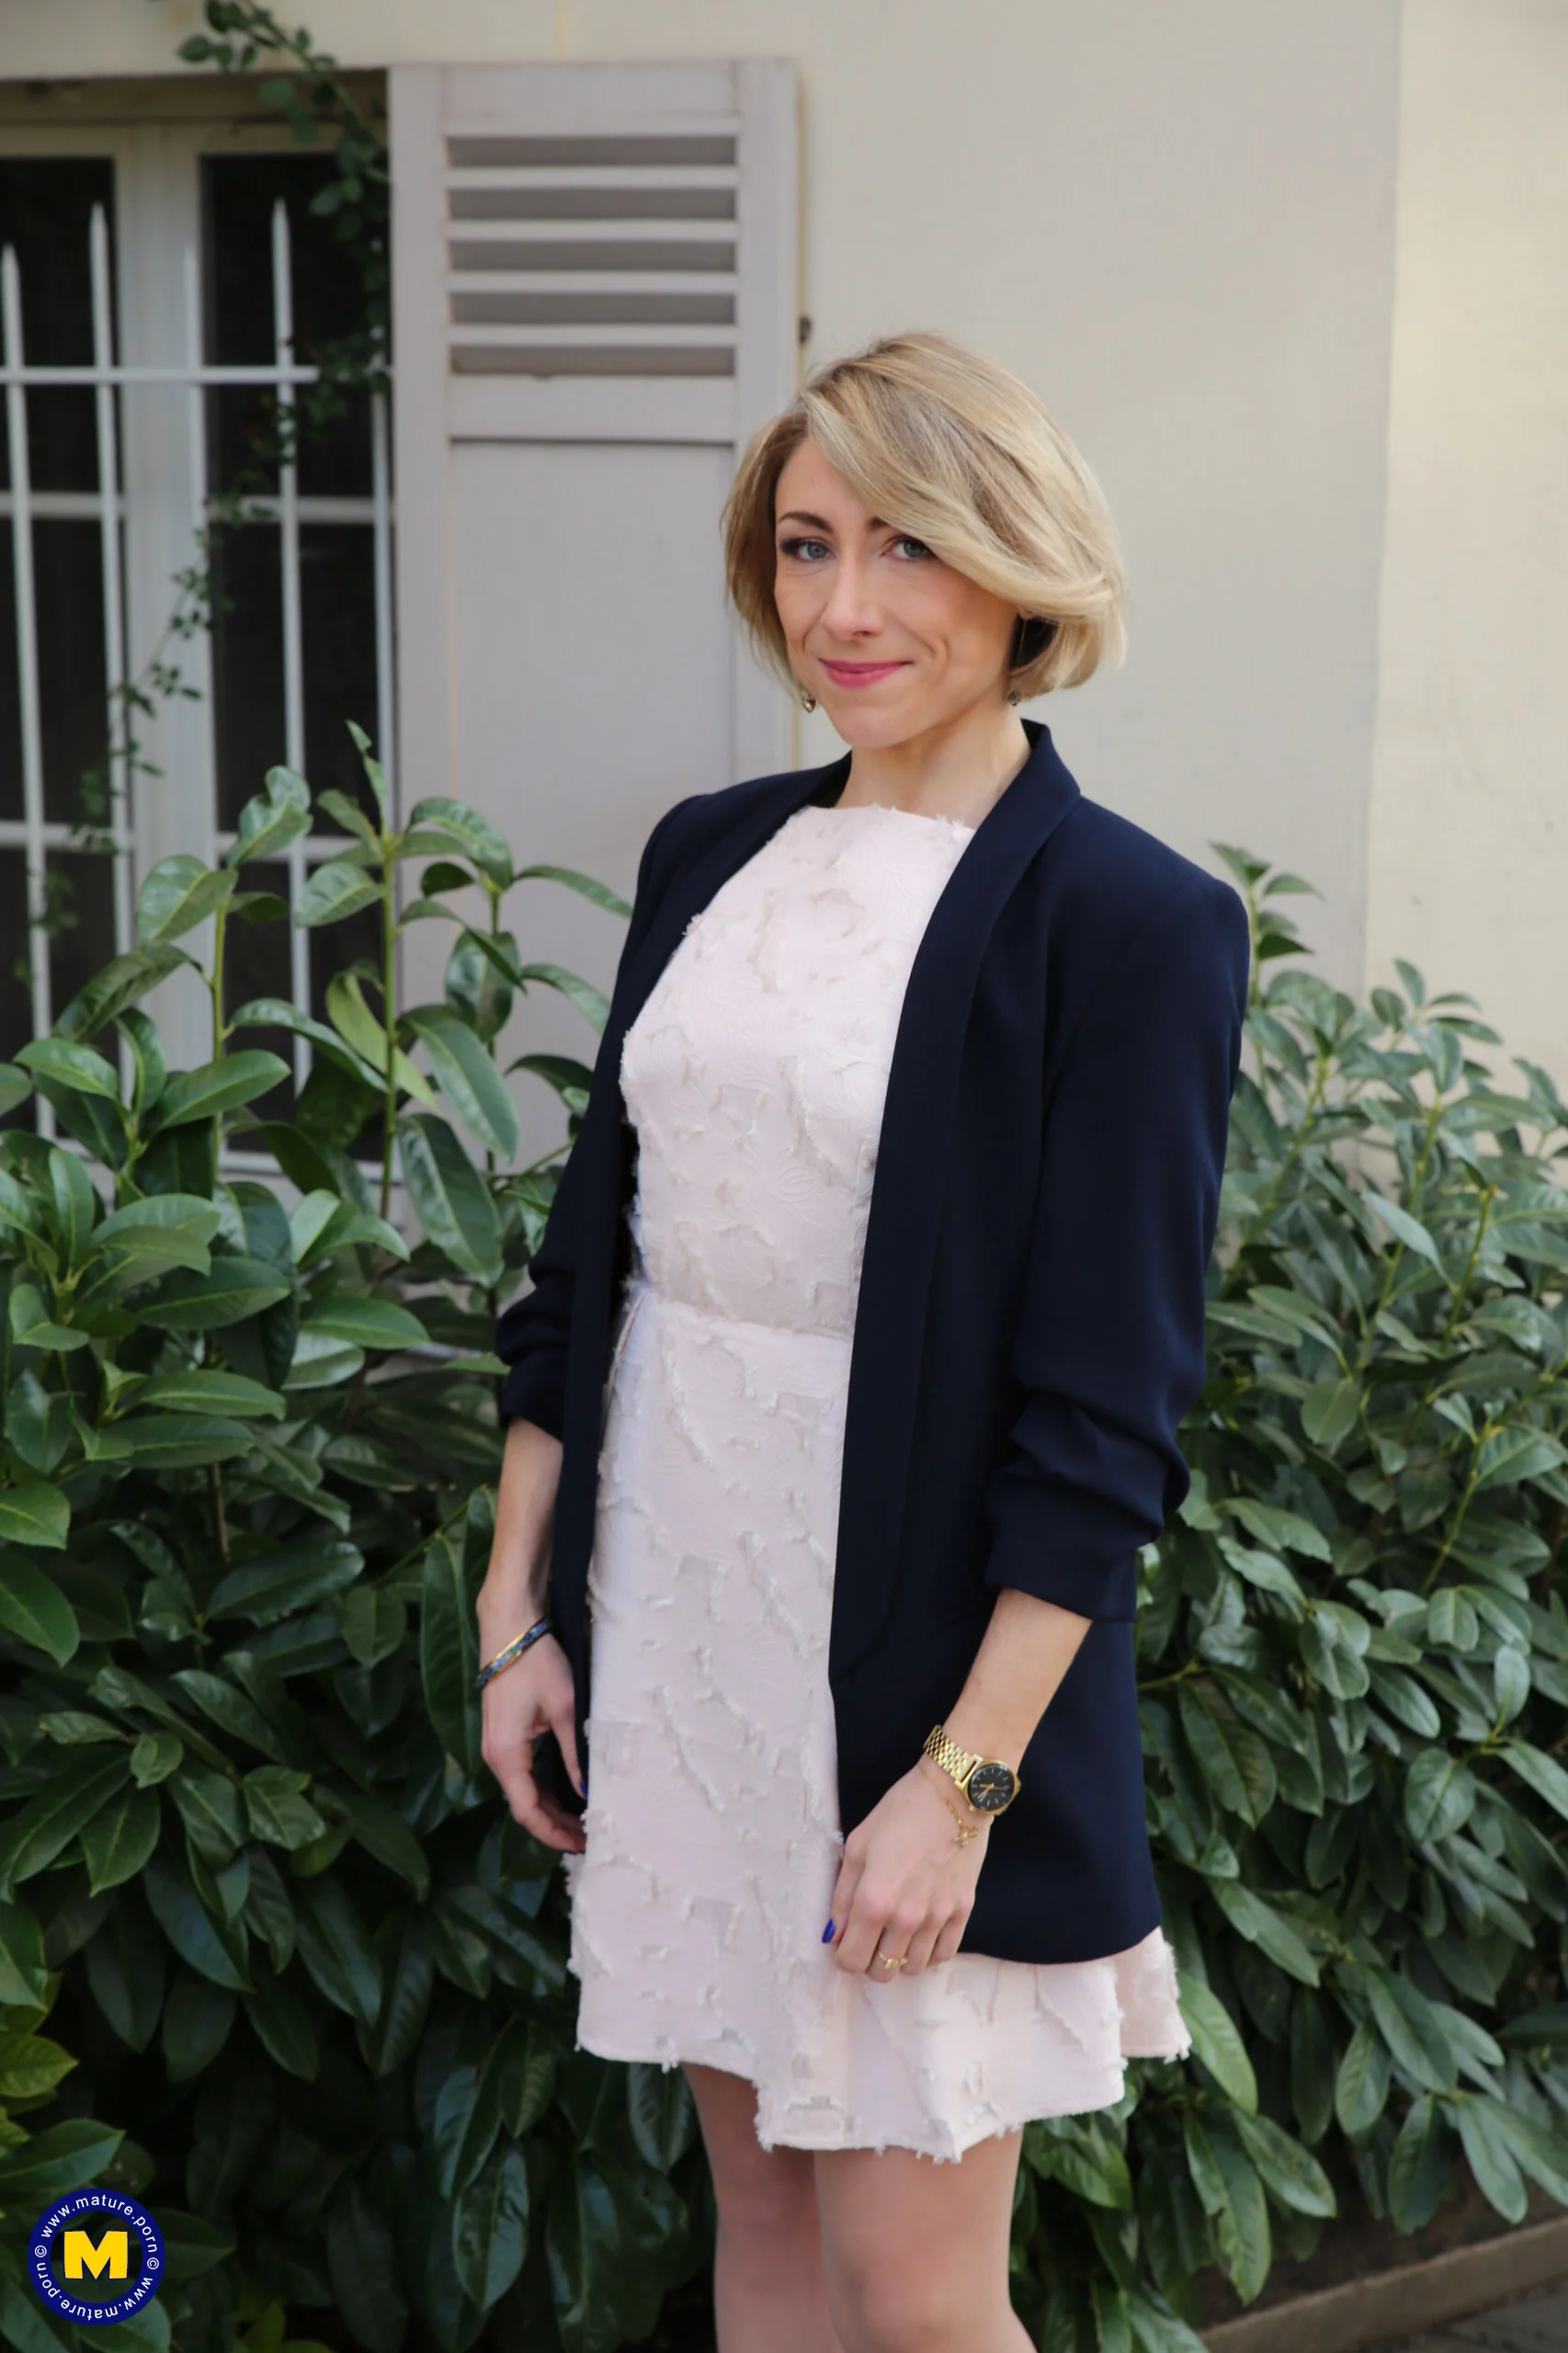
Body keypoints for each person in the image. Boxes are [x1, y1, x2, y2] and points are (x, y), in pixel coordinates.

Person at [478, 332, 1250, 2353]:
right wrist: (515, 1607)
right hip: (679, 1625)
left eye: (908, 544)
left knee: (914, 2296)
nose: (843, 605)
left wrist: (961, 1782)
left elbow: (1105, 1421)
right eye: (807, 545)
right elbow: (588, 1264)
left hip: (914, 1678)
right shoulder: (709, 848)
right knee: (759, 2234)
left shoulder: (1130, 921)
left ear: (1021, 563)